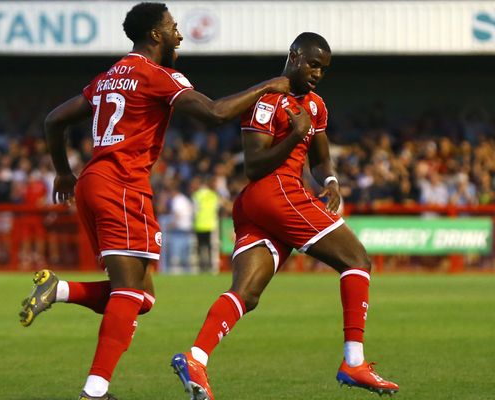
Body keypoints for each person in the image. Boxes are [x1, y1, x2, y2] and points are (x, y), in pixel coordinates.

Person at [18, 2, 290, 400]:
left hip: (93, 181)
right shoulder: (159, 76)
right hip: (122, 184)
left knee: (141, 297)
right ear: (156, 35)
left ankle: (59, 291)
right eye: (173, 26)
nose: (179, 34)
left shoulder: (109, 76)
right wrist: (267, 86)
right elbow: (214, 113)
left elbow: (53, 119)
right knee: (130, 293)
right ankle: (95, 391)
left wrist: (63, 171)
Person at [170, 33, 399, 400]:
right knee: (357, 260)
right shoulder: (267, 100)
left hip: (259, 207)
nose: (317, 73)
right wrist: (294, 137)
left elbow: (321, 156)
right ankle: (353, 361)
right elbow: (254, 166)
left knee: (247, 293)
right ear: (294, 56)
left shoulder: (315, 106)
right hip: (275, 192)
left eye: (323, 69)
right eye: (312, 64)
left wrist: (331, 181)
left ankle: (196, 357)